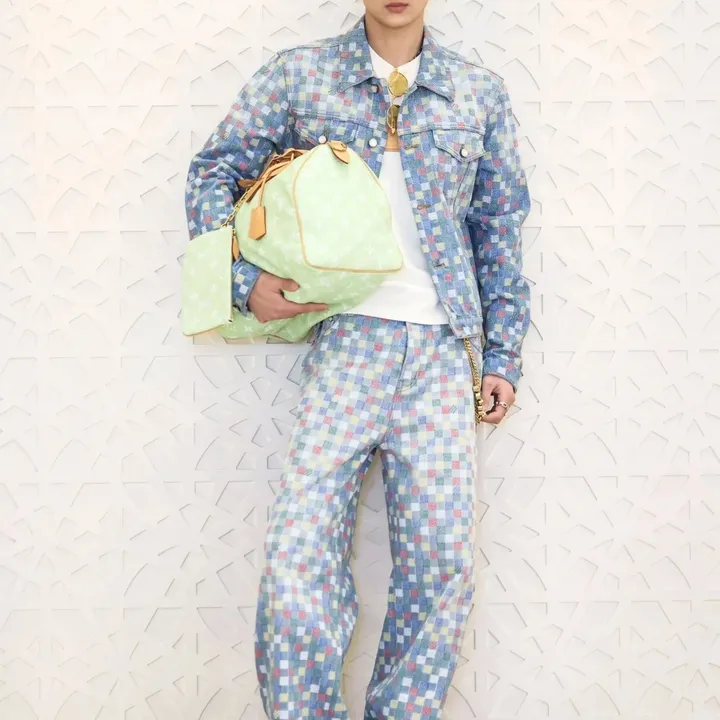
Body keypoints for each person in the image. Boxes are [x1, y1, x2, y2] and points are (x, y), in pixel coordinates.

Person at [185, 0, 531, 717]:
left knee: (440, 566)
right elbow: (213, 172)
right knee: (299, 556)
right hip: (346, 342)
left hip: (443, 353)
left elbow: (498, 229)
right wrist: (243, 282)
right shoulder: (302, 75)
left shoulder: (477, 92)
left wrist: (501, 354)